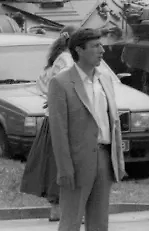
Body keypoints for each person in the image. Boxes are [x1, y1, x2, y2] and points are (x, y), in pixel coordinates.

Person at [48, 28, 125, 231]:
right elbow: (58, 130)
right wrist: (65, 169)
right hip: (77, 159)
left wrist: (117, 160)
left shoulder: (105, 79)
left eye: (101, 45)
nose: (102, 50)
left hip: (104, 156)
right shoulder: (61, 82)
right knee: (71, 220)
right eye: (95, 46)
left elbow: (113, 122)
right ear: (79, 50)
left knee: (100, 221)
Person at [20, 26, 78, 222]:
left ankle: (57, 208)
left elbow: (44, 84)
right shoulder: (66, 60)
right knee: (59, 162)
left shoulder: (58, 59)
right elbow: (65, 86)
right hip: (62, 118)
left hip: (54, 116)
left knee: (54, 161)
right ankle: (59, 208)